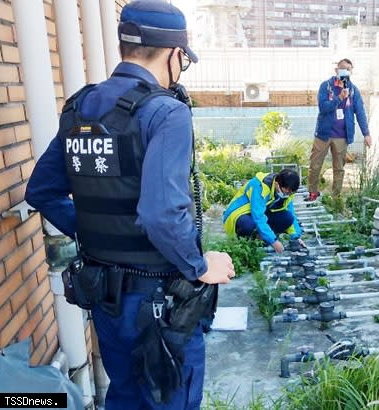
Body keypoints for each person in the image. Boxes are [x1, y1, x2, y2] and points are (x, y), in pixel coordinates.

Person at [25, 1, 235, 408]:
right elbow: (161, 213)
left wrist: (91, 229)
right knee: (171, 397)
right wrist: (200, 265)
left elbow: (42, 191)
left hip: (105, 295)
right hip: (159, 303)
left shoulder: (80, 106)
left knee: (124, 396)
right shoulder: (165, 112)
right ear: (175, 55)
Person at [305, 58, 372, 202]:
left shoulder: (353, 91)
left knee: (339, 168)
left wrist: (366, 133)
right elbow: (323, 108)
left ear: (351, 72)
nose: (345, 72)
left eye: (348, 69)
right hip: (323, 134)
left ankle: (336, 197)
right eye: (342, 68)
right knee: (315, 165)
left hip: (342, 135)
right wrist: (339, 98)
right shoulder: (326, 86)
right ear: (336, 70)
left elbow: (360, 112)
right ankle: (312, 192)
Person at [223, 169, 304, 253]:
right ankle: (247, 242)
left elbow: (291, 213)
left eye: (290, 193)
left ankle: (262, 236)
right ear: (277, 184)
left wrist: (296, 237)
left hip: (260, 212)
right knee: (248, 225)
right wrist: (273, 241)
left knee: (288, 218)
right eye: (286, 191)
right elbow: (258, 216)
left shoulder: (288, 192)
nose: (287, 195)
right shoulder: (259, 186)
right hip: (239, 213)